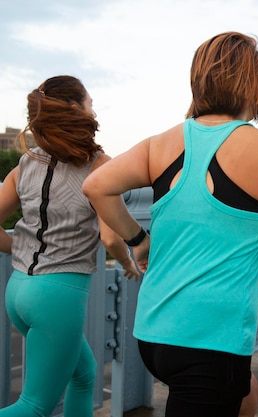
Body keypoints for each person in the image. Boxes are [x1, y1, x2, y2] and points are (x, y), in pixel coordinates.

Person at [82, 31, 258, 417]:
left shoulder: (160, 143)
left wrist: (138, 240)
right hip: (210, 341)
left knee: (245, 391)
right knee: (226, 383)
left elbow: (97, 186)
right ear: (250, 85)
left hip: (155, 334)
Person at [0, 75, 140, 417]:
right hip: (57, 297)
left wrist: (18, 245)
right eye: (90, 103)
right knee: (32, 407)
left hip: (18, 290)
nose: (94, 109)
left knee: (84, 375)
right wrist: (127, 262)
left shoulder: (26, 163)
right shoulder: (98, 165)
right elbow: (110, 237)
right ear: (76, 109)